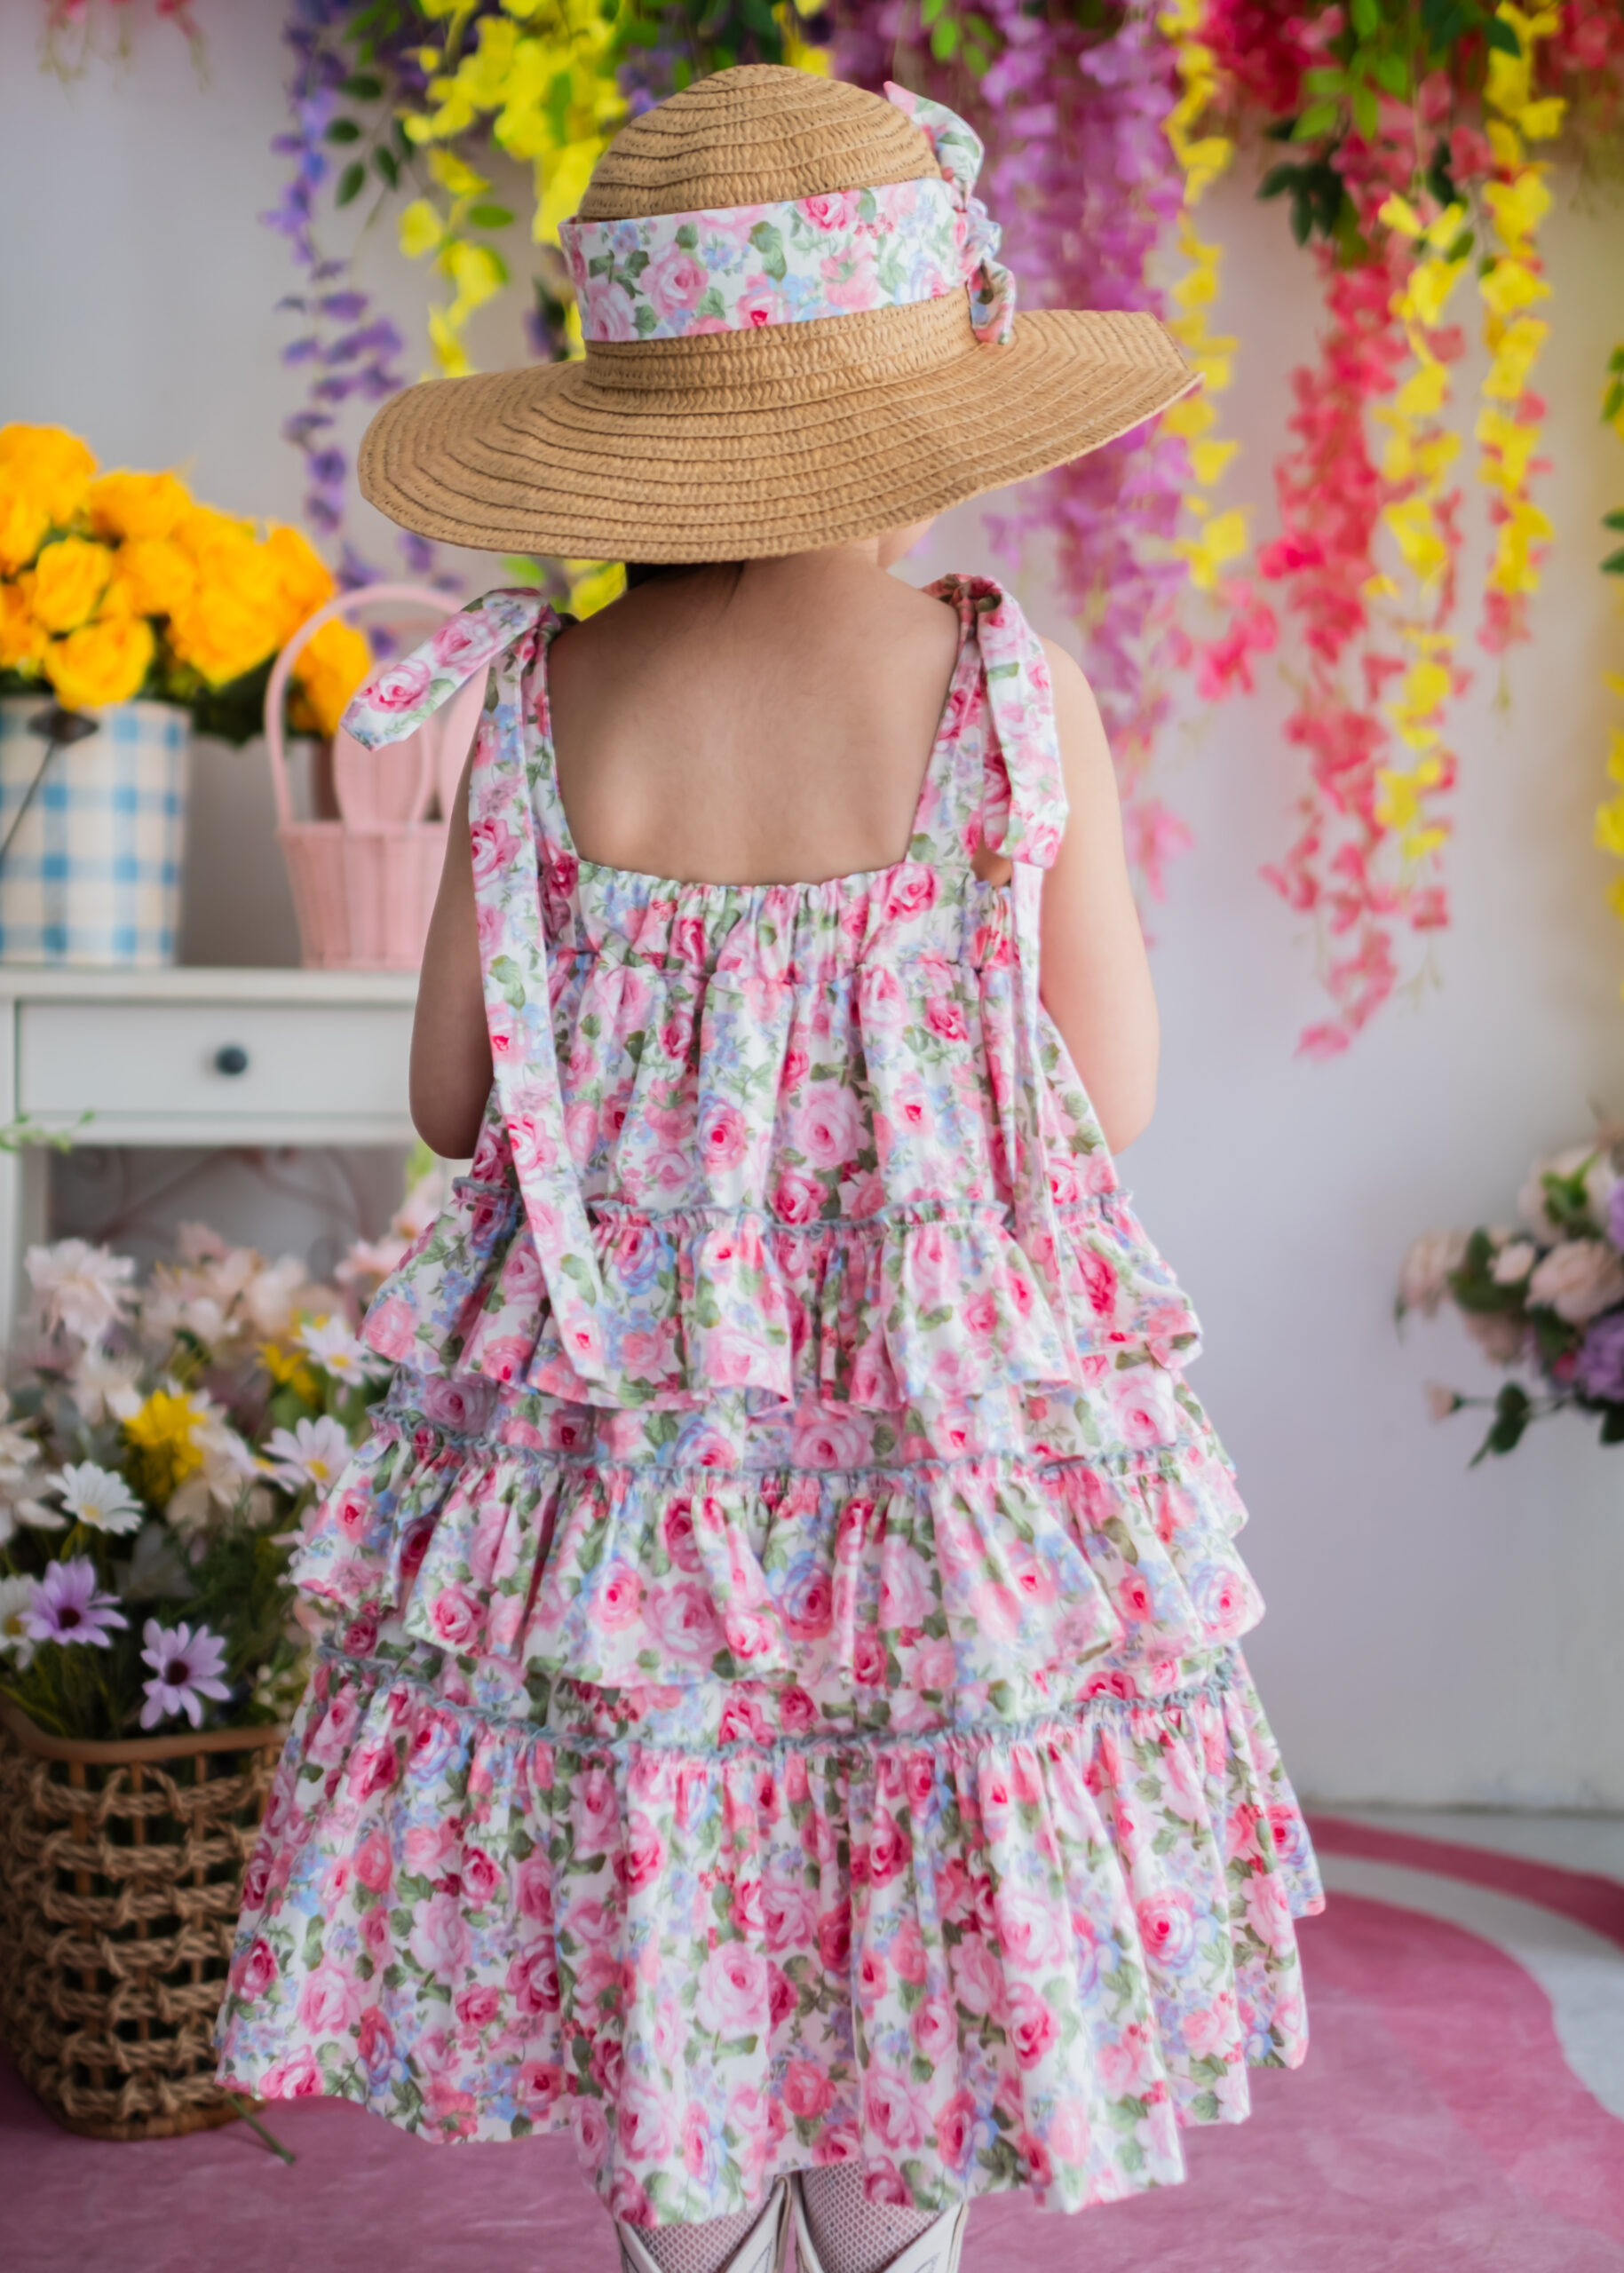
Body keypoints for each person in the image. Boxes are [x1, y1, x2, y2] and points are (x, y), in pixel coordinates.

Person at [216, 63, 1322, 2273]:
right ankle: (886, 2234)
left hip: (627, 1435)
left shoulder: (546, 696)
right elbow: (1101, 1090)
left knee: (676, 1817)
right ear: (921, 419)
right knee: (911, 1806)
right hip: (920, 1432)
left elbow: (452, 1095)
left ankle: (693, 2227)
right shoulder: (1006, 688)